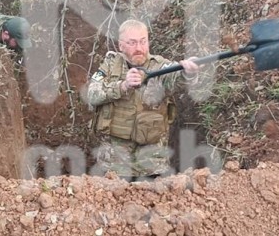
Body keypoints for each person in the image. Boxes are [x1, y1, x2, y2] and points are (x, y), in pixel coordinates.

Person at [86, 19, 201, 180]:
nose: (139, 48)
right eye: (132, 43)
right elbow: (92, 94)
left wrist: (188, 72)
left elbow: (176, 79)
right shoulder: (110, 65)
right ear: (121, 45)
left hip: (151, 163)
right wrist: (122, 86)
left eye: (143, 42)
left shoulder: (159, 66)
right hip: (114, 163)